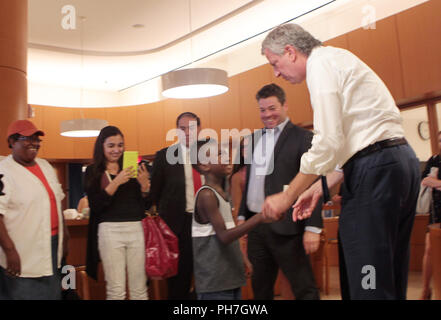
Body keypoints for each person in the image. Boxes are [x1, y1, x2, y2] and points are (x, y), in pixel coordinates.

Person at [260, 23, 420, 300]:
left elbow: (328, 142)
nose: (276, 73)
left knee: (367, 277)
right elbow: (354, 142)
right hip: (398, 163)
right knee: (387, 273)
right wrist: (320, 187)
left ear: (290, 51)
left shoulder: (320, 66)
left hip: (376, 171)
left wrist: (289, 195)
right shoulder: (339, 59)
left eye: (275, 63)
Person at [238, 83, 322, 300]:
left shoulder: (303, 138)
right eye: (262, 110)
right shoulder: (252, 140)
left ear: (285, 105)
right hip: (257, 226)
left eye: (272, 108)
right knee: (260, 289)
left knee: (304, 288)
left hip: (288, 226)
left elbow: (314, 182)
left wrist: (313, 227)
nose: (267, 114)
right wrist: (241, 217)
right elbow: (249, 184)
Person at [192, 139, 271, 300]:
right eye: (219, 154)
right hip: (215, 282)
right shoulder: (206, 195)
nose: (227, 157)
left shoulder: (222, 193)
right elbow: (225, 236)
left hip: (229, 277)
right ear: (204, 165)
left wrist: (242, 258)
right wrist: (260, 217)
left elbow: (228, 232)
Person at [0, 119, 68, 300]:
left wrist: (65, 234)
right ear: (12, 142)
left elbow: (58, 201)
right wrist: (9, 250)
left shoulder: (45, 166)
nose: (34, 143)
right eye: (27, 138)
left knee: (52, 294)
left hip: (52, 246)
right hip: (21, 251)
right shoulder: (4, 171)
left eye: (37, 139)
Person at [85, 126, 150, 300]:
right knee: (116, 290)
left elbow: (145, 204)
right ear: (102, 146)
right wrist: (117, 182)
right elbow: (96, 205)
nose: (116, 150)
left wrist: (145, 188)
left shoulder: (132, 165)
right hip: (109, 231)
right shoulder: (93, 171)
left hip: (136, 227)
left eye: (120, 145)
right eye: (111, 145)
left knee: (139, 288)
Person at [148, 112, 203, 300]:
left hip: (207, 224)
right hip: (178, 228)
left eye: (192, 128)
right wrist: (143, 188)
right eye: (182, 128)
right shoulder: (164, 157)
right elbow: (152, 195)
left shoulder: (210, 154)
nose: (187, 132)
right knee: (180, 282)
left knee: (208, 278)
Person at [419, 131, 441, 299]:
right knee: (429, 249)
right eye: (440, 140)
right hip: (436, 211)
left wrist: (437, 183)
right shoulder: (434, 160)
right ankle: (426, 290)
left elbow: (432, 182)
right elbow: (423, 180)